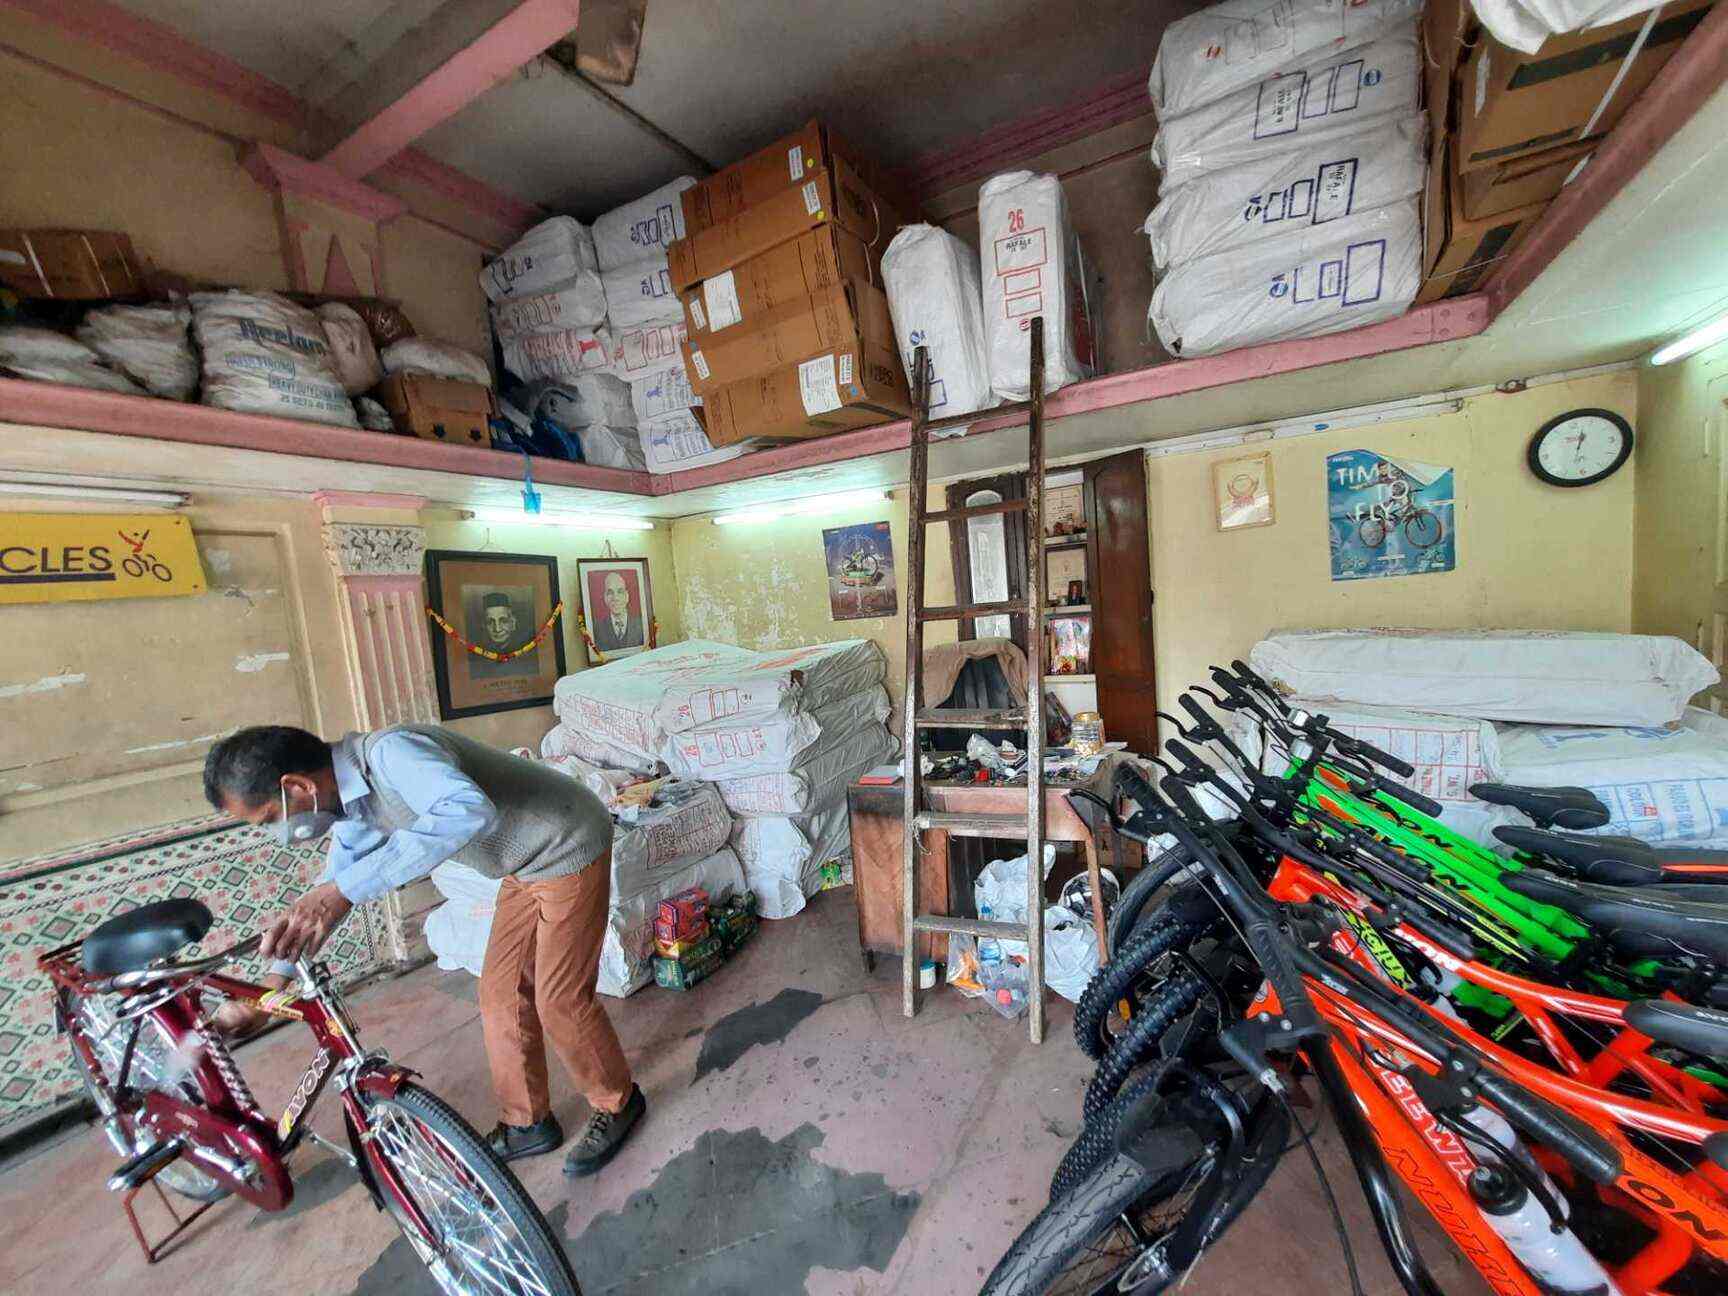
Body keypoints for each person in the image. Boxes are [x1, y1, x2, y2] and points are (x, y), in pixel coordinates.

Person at [202, 724, 645, 1176]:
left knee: (560, 999)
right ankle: (527, 1124)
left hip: (568, 844)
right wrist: (266, 993)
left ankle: (619, 1102)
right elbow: (329, 892)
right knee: (500, 995)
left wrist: (342, 891)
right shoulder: (349, 807)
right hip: (526, 863)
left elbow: (468, 810)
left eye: (269, 819)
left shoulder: (392, 754)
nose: (278, 832)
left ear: (296, 787)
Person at [591, 572, 643, 652]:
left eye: (620, 591)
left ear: (627, 596)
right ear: (605, 598)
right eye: (610, 592)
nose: (615, 598)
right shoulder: (596, 628)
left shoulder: (641, 624)